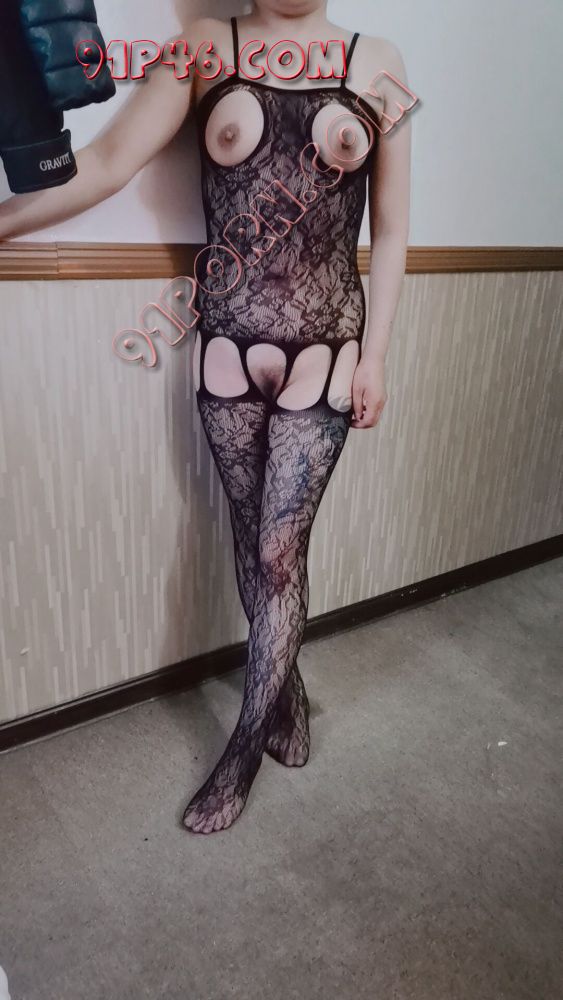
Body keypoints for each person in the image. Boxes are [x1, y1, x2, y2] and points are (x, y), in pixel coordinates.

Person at [0, 1, 412, 834]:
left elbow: (394, 228)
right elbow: (107, 164)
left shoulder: (379, 58)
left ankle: (240, 754)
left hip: (329, 347)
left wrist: (375, 356)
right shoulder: (200, 47)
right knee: (249, 534)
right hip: (225, 345)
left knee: (278, 549)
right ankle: (284, 696)